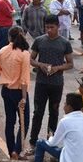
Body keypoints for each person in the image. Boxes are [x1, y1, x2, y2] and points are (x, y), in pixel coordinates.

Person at [28, 15, 74, 149]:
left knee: (53, 113)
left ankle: (51, 140)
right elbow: (31, 60)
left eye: (52, 27)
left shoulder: (65, 43)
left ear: (58, 27)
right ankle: (33, 140)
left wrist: (57, 68)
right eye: (47, 27)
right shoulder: (39, 41)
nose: (49, 30)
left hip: (57, 83)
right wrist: (40, 65)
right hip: (41, 83)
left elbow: (70, 64)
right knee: (38, 112)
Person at [32, 93, 83, 162]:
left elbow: (53, 143)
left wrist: (51, 137)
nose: (63, 106)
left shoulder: (65, 121)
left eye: (65, 104)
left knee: (40, 143)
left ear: (69, 107)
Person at [0, 27, 31, 159]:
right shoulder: (24, 53)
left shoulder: (2, 51)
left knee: (10, 121)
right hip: (20, 92)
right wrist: (24, 98)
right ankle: (17, 149)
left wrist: (5, 80)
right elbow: (25, 79)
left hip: (6, 91)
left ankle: (11, 152)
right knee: (24, 122)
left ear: (9, 37)